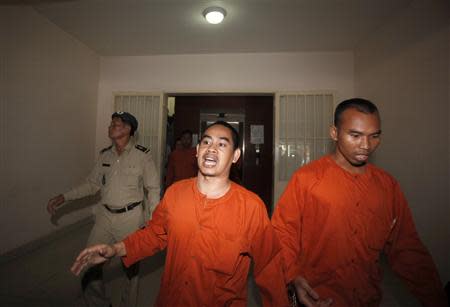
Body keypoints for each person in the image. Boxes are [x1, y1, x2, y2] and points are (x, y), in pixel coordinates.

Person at [71, 121, 290, 306]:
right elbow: (155, 234)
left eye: (222, 144)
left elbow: (269, 268)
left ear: (235, 156)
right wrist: (115, 249)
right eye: (206, 142)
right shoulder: (176, 193)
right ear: (197, 151)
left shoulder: (251, 207)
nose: (211, 148)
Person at [271, 98, 447, 307]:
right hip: (316, 297)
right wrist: (292, 276)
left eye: (374, 136)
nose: (366, 145)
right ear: (334, 133)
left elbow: (406, 247)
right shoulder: (307, 179)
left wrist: (436, 298)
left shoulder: (387, 186)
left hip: (366, 297)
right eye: (355, 135)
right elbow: (283, 233)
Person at [47, 111, 160, 307]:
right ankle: (98, 303)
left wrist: (153, 218)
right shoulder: (104, 155)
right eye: (111, 123)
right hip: (105, 218)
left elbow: (153, 188)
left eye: (116, 123)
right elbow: (91, 184)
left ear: (128, 129)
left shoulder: (143, 155)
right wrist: (64, 196)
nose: (111, 126)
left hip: (130, 218)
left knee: (131, 268)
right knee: (89, 262)